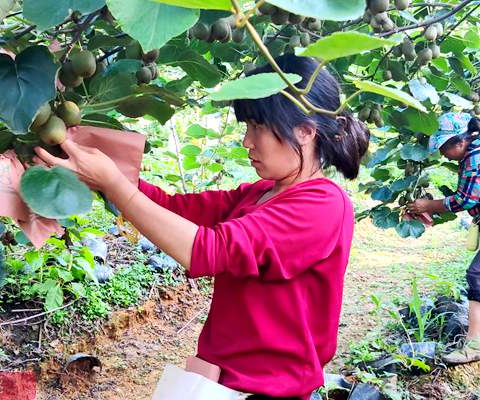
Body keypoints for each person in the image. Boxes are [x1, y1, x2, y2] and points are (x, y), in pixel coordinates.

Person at [34, 54, 370, 399]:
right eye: (246, 127)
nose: (247, 142)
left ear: (304, 131)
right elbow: (172, 208)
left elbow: (209, 250)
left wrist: (112, 184)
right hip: (218, 382)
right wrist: (101, 174)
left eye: (257, 127)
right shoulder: (258, 195)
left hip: (267, 391)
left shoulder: (322, 205)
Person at [407, 112, 480, 365]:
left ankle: (474, 345)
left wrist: (429, 204)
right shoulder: (474, 151)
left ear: (459, 142)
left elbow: (466, 199)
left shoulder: (474, 156)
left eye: (443, 148)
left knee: (477, 275)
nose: (442, 154)